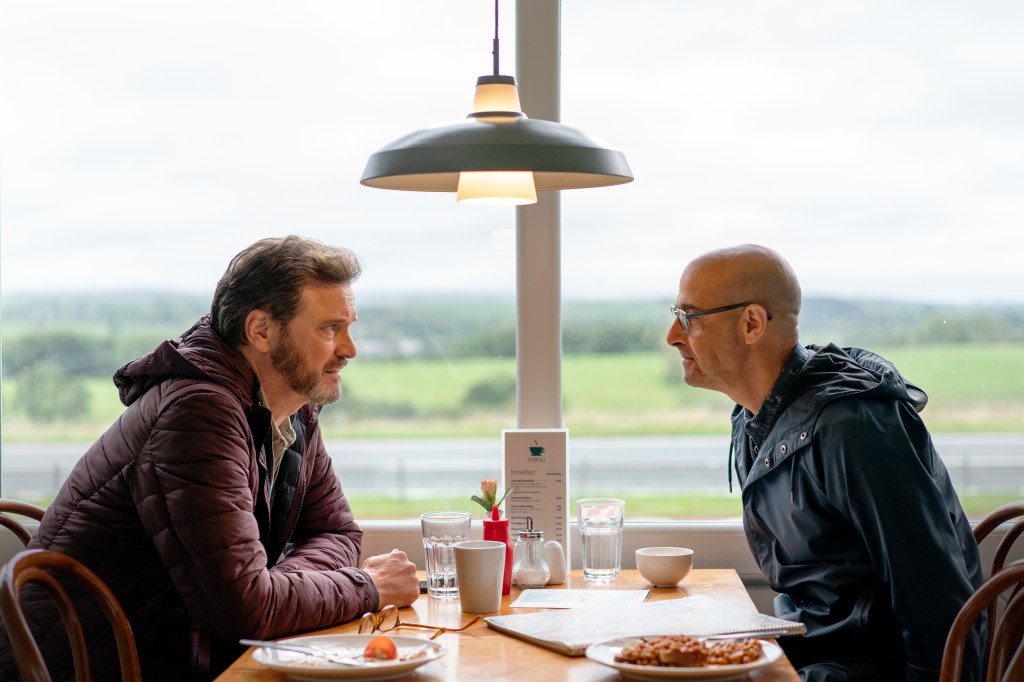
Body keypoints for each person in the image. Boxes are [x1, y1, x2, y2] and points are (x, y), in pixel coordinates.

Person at [0, 236, 420, 680]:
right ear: (260, 331)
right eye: (330, 329)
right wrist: (366, 586)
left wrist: (282, 588)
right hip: (99, 669)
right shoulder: (198, 412)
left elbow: (335, 531)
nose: (350, 349)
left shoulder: (291, 408)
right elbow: (247, 610)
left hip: (188, 659)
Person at [665, 244, 985, 682]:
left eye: (689, 318)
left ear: (751, 324)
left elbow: (935, 602)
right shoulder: (753, 417)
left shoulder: (852, 425)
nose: (673, 335)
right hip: (814, 648)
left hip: (866, 667)